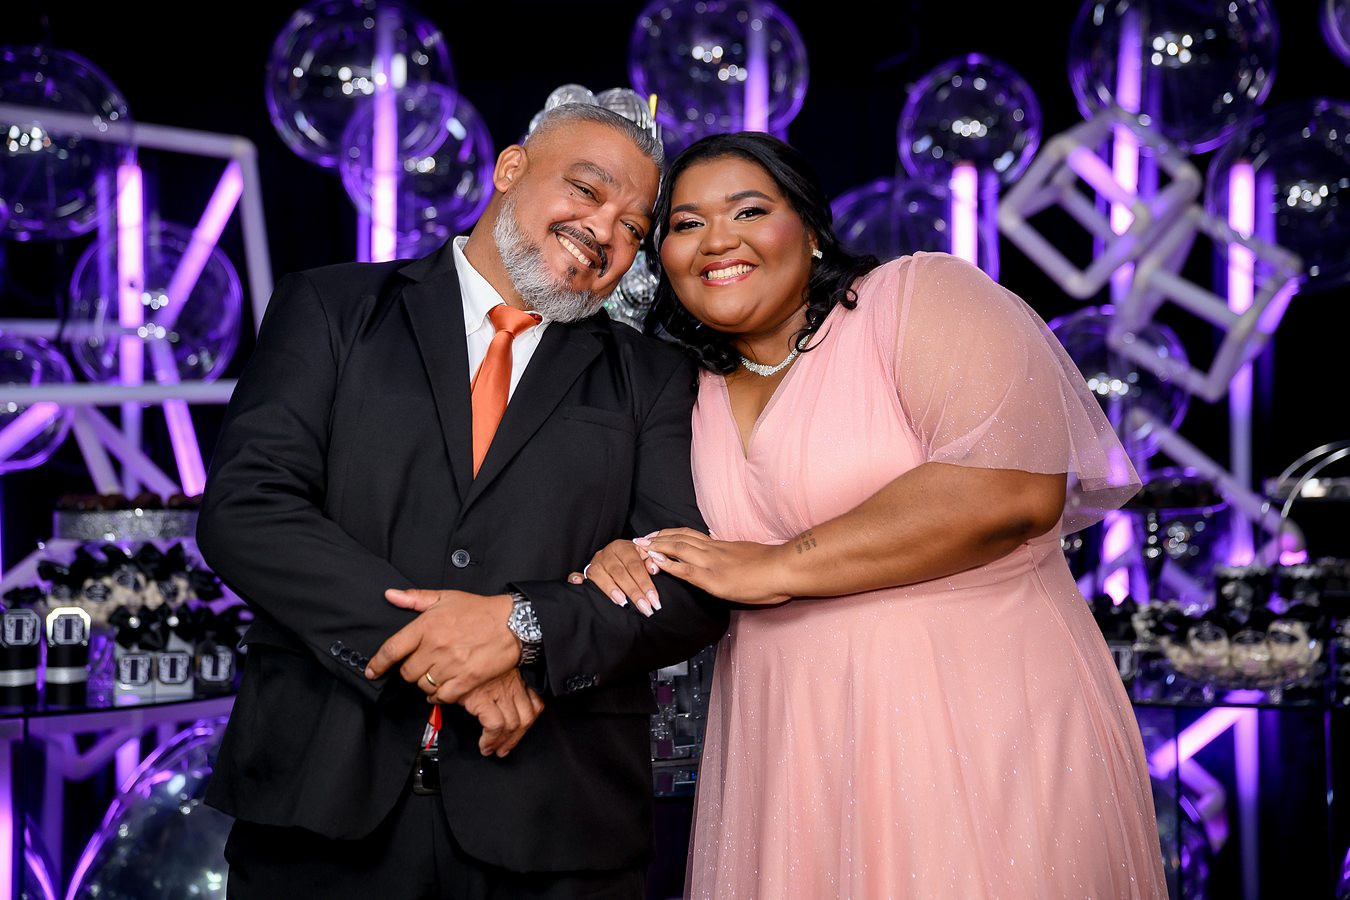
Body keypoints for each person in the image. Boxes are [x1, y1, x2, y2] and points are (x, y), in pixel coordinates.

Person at [577, 133, 1168, 898]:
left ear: (812, 231)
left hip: (969, 721)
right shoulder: (687, 389)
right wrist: (621, 555)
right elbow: (676, 538)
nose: (717, 239)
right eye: (686, 224)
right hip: (787, 743)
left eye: (749, 211)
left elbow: (1014, 490)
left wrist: (777, 565)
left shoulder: (918, 297)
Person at [196, 101, 729, 899]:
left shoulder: (653, 376)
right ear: (511, 168)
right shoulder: (332, 307)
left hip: (556, 825)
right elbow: (248, 509)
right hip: (319, 807)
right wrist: (448, 655)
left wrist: (522, 628)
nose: (604, 230)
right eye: (587, 190)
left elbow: (687, 587)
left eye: (633, 226)